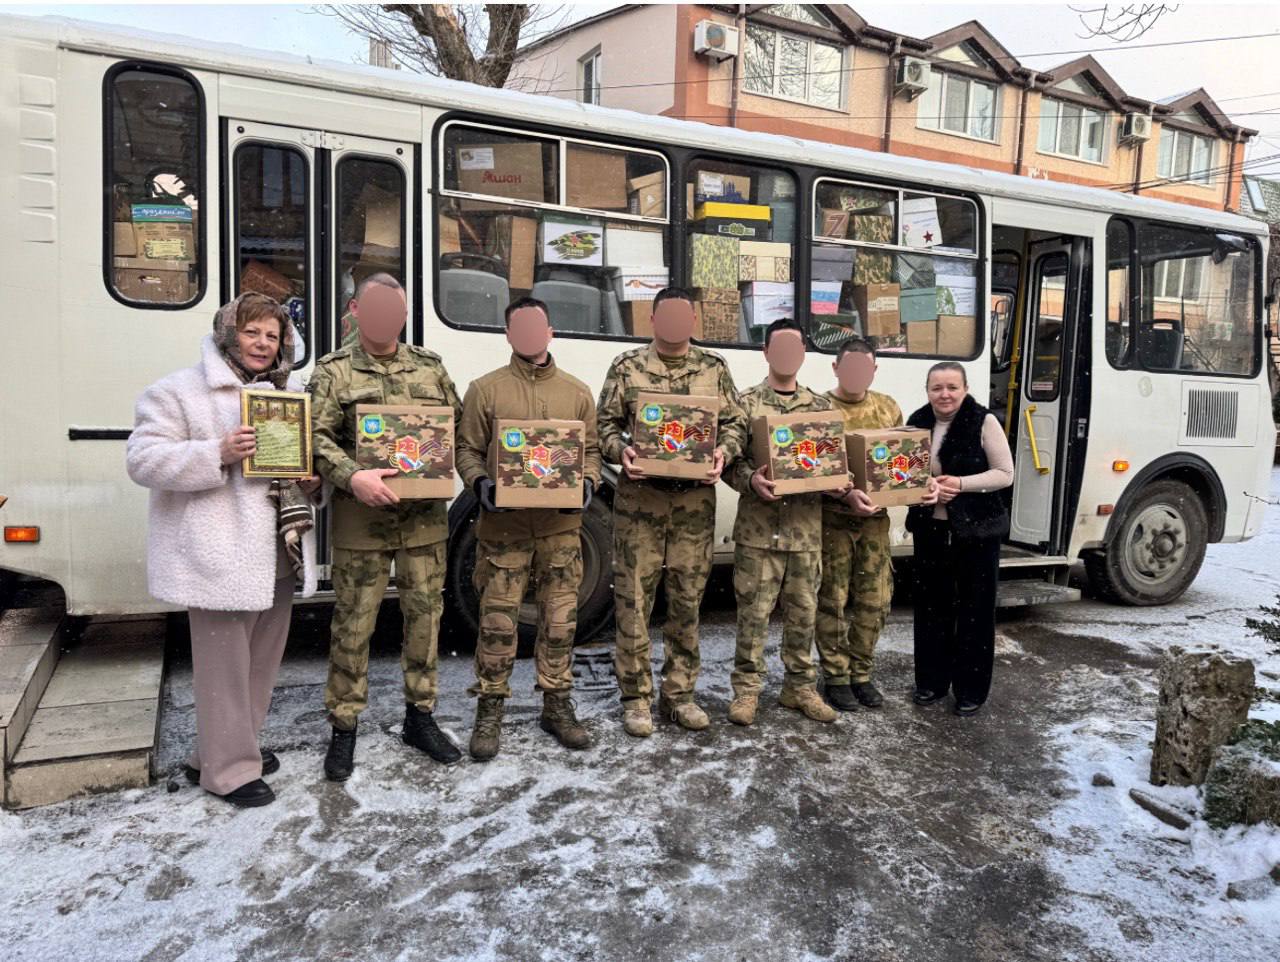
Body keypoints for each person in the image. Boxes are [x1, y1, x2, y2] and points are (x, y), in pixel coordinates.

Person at [126, 293, 319, 808]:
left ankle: (226, 749)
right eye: (252, 332)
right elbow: (142, 461)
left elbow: (300, 469)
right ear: (229, 333)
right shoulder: (179, 390)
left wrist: (311, 478)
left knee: (260, 661)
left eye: (273, 335)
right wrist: (217, 452)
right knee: (222, 666)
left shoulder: (291, 391)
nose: (262, 343)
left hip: (277, 548)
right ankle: (228, 771)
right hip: (217, 553)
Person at [308, 273, 463, 780]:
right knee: (354, 625)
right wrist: (353, 477)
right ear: (354, 310)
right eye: (372, 309)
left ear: (402, 315)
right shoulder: (332, 371)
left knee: (426, 621)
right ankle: (344, 727)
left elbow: (454, 426)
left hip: (423, 523)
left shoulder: (429, 367)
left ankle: (421, 717)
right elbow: (315, 435)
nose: (383, 319)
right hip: (362, 520)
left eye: (393, 310)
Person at [454, 297, 602, 760]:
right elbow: (466, 449)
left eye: (538, 327)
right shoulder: (486, 389)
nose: (530, 336)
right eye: (521, 328)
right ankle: (490, 709)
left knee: (560, 624)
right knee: (497, 627)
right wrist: (480, 484)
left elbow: (593, 453)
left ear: (550, 332)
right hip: (504, 533)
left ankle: (556, 705)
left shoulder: (577, 393)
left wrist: (589, 484)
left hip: (561, 532)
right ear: (510, 335)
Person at [596, 287, 747, 737]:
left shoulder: (713, 368)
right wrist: (619, 452)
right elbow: (604, 424)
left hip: (693, 506)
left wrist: (723, 452)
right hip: (640, 502)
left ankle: (679, 694)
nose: (676, 324)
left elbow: (736, 422)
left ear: (693, 323)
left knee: (686, 600)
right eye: (668, 317)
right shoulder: (628, 367)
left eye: (684, 317)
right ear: (655, 321)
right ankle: (636, 698)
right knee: (633, 601)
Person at [724, 318, 838, 727]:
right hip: (758, 532)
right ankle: (747, 691)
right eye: (780, 347)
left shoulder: (821, 408)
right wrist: (750, 479)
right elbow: (729, 461)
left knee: (804, 614)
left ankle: (799, 688)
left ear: (804, 354)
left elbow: (833, 463)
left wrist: (839, 482)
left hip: (805, 532)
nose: (788, 355)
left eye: (795, 347)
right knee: (752, 615)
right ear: (766, 353)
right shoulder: (745, 402)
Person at [816, 338, 934, 711]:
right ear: (836, 368)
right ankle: (835, 677)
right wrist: (845, 494)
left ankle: (861, 673)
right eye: (848, 366)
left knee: (875, 600)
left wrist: (921, 483)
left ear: (874, 370)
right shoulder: (819, 408)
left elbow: (900, 466)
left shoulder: (887, 408)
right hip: (832, 521)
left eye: (864, 367)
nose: (856, 374)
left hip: (874, 524)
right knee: (832, 602)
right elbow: (811, 470)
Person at [906, 362, 1014, 716]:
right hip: (931, 530)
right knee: (931, 609)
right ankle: (931, 683)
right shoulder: (917, 421)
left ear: (965, 389)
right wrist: (925, 488)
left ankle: (970, 689)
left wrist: (962, 485)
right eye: (937, 387)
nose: (945, 394)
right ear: (927, 391)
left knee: (975, 612)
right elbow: (903, 472)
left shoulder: (984, 421)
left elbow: (1004, 474)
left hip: (977, 533)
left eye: (952, 386)